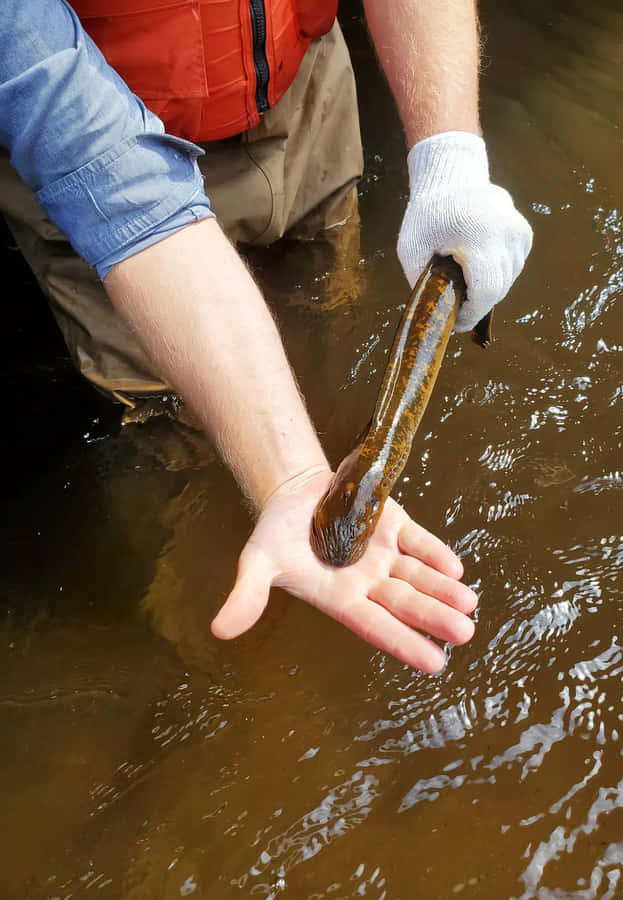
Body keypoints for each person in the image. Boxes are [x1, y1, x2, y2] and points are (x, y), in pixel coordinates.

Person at [0, 0, 532, 673]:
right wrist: (287, 473)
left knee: (327, 307)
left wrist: (449, 160)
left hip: (297, 90)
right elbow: (121, 193)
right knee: (167, 422)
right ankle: (188, 630)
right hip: (102, 148)